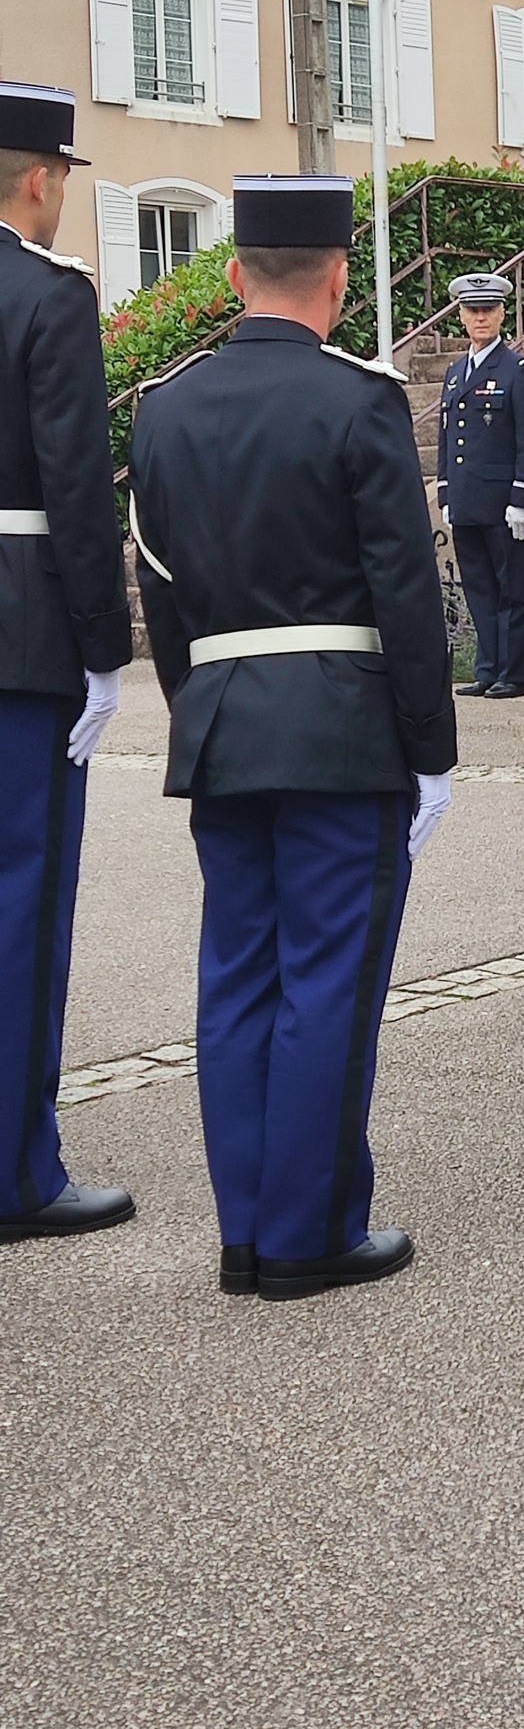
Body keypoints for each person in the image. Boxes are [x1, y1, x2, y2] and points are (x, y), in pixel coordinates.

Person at [130, 174, 457, 1302]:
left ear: (232, 277)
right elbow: (405, 594)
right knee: (326, 980)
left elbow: (160, 589)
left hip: (223, 724)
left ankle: (245, 1231)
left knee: (237, 977)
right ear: (336, 279)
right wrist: (433, 750)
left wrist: (201, 708)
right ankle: (308, 1235)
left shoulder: (164, 405)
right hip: (339, 730)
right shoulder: (359, 400)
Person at [0, 80, 135, 1245]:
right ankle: (15, 1172)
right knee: (22, 898)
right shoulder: (47, 295)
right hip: (20, 632)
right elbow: (76, 490)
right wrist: (106, 651)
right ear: (39, 178)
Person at [436, 272, 524, 700]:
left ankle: (514, 672)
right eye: (472, 311)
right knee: (479, 587)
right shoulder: (454, 371)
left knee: (511, 587)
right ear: (462, 317)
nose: (480, 317)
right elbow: (449, 436)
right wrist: (446, 490)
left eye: (488, 310)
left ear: (502, 314)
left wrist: (523, 498)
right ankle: (488, 667)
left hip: (503, 500)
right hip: (466, 498)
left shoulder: (519, 370)